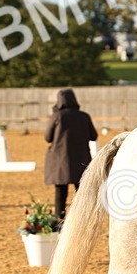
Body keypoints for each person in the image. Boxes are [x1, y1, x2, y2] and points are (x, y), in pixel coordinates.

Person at [44, 89, 98, 221]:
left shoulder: (57, 116)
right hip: (81, 158)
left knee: (60, 190)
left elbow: (47, 137)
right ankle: (82, 216)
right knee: (81, 190)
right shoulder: (84, 116)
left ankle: (59, 217)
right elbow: (94, 136)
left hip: (61, 159)